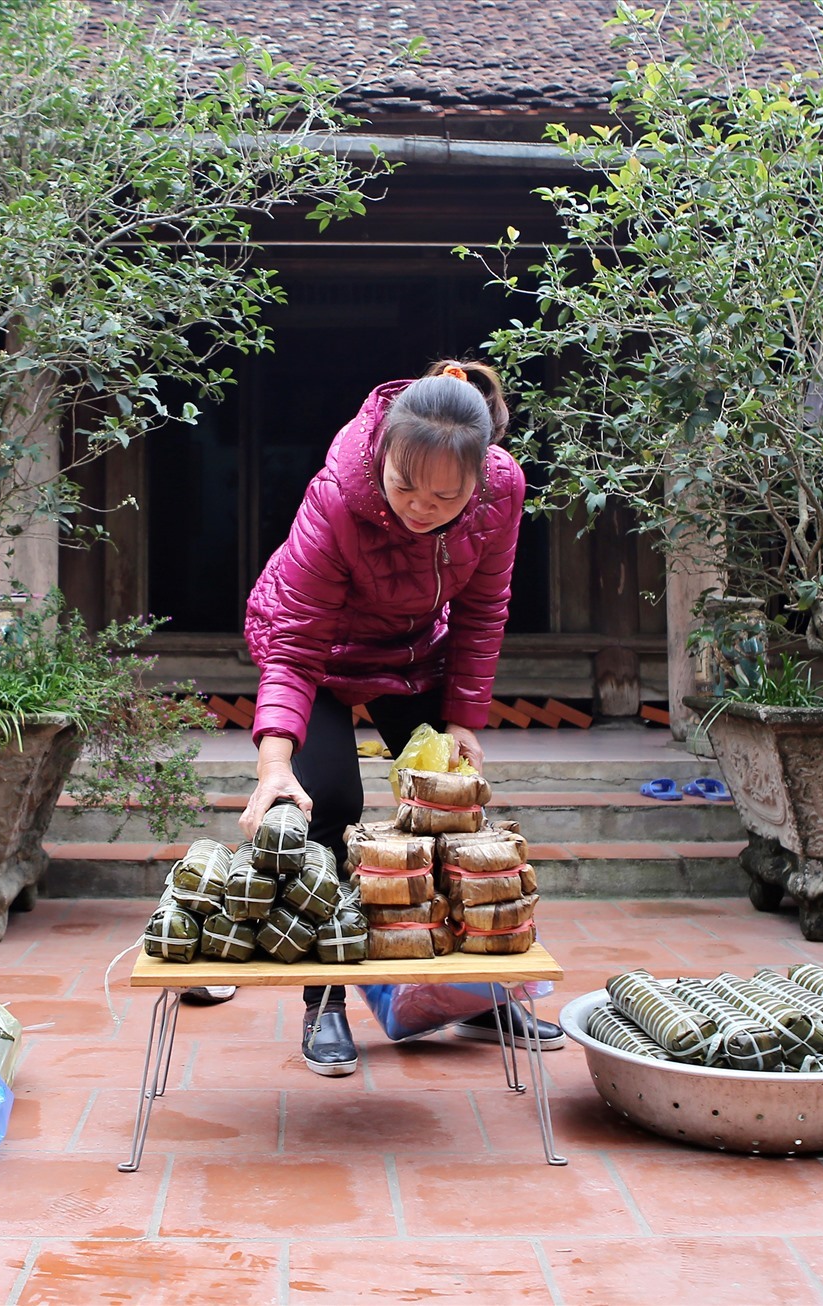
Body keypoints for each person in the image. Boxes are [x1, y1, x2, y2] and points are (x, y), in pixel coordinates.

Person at [223, 358, 563, 1076]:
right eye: (404, 485)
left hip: (409, 650)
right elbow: (295, 642)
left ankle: (472, 992)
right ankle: (325, 1000)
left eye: (444, 496)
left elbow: (482, 612)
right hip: (315, 649)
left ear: (480, 480)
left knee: (454, 801)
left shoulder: (504, 491)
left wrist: (464, 722)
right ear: (381, 456)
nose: (419, 506)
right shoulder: (338, 495)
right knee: (328, 804)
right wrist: (274, 765)